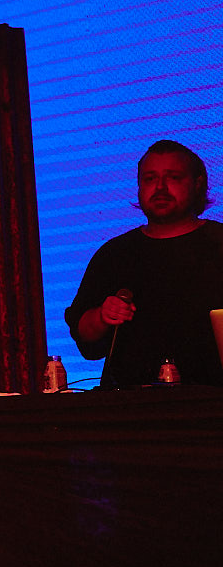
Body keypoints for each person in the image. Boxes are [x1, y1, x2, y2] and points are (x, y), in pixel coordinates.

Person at [65, 140, 223, 389]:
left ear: (197, 184)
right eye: (150, 179)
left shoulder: (218, 243)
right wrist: (103, 316)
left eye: (173, 177)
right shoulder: (114, 254)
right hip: (130, 402)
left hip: (212, 398)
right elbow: (85, 336)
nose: (160, 187)